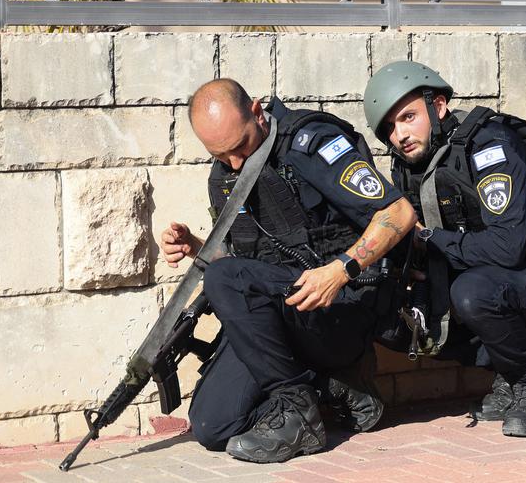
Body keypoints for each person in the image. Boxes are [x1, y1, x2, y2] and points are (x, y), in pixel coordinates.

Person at [160, 78, 416, 462]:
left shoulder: (310, 143)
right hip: (286, 316)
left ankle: (298, 414)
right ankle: (333, 388)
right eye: (220, 155)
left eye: (239, 147)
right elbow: (243, 269)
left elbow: (400, 212)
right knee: (213, 425)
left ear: (258, 113)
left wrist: (341, 269)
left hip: (341, 311)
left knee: (223, 279)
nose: (233, 162)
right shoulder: (227, 173)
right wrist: (197, 248)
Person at [361, 61, 526, 437]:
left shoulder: (489, 145)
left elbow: (507, 247)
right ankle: (509, 372)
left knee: (470, 292)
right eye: (389, 128)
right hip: (495, 274)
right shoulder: (411, 163)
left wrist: (430, 240)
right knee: (391, 303)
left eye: (407, 117)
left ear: (437, 107)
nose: (399, 134)